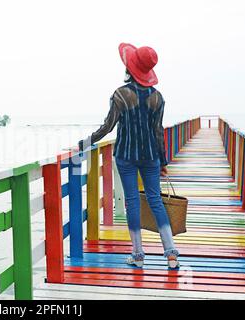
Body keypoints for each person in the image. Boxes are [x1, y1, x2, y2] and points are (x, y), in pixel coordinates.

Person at [78, 43, 180, 269]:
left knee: (132, 201)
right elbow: (157, 132)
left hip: (126, 155)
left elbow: (108, 126)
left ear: (130, 68)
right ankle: (171, 254)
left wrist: (86, 142)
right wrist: (162, 161)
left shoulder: (120, 95)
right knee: (156, 201)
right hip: (151, 156)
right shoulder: (158, 98)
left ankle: (138, 255)